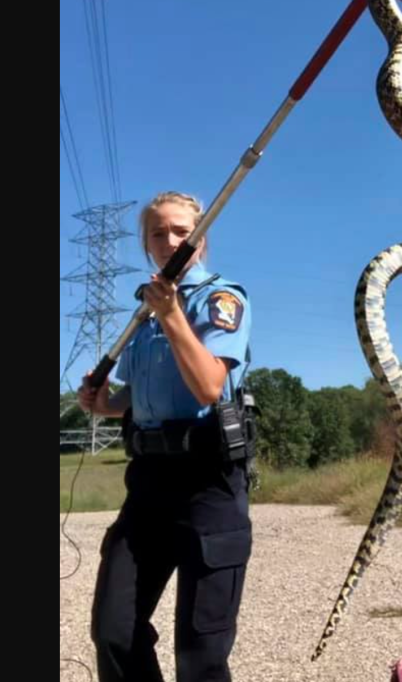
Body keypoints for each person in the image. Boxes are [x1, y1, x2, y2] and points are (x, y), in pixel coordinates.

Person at [78, 190, 252, 682]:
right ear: (146, 244)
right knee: (115, 631)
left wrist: (173, 315)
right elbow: (136, 396)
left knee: (200, 656)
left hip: (208, 483)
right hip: (149, 486)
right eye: (158, 233)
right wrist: (102, 402)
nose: (170, 241)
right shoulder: (143, 315)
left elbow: (208, 385)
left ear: (201, 239)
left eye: (181, 231)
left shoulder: (221, 298)